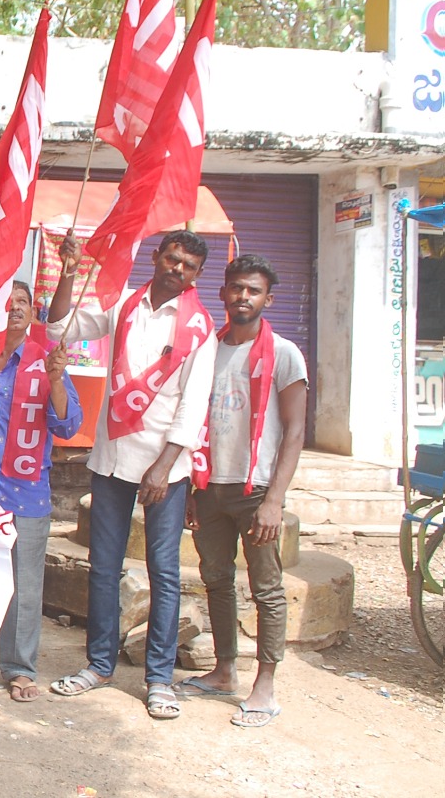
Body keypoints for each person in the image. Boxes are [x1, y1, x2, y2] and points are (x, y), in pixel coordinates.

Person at [46, 231, 217, 722]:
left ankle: (159, 680)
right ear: (157, 258)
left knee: (164, 573)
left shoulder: (199, 327)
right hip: (112, 459)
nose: (177, 269)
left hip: (166, 466)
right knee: (103, 566)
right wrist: (69, 272)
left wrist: (164, 468)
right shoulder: (123, 305)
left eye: (187, 265)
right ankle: (98, 665)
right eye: (171, 259)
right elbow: (62, 323)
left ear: (196, 274)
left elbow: (193, 405)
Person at [178, 254, 307, 728]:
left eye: (253, 291)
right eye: (236, 288)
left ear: (267, 298)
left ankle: (265, 684)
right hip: (211, 485)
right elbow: (196, 418)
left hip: (257, 490)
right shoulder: (209, 349)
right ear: (224, 293)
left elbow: (295, 431)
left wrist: (274, 499)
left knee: (266, 588)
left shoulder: (285, 353)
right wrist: (194, 486)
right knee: (215, 577)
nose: (243, 297)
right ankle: (225, 669)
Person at [0, 283, 82, 703]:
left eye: (22, 304)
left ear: (33, 313)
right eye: (6, 303)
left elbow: (68, 427)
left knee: (24, 585)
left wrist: (56, 383)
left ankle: (18, 668)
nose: (14, 309)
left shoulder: (44, 362)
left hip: (26, 493)